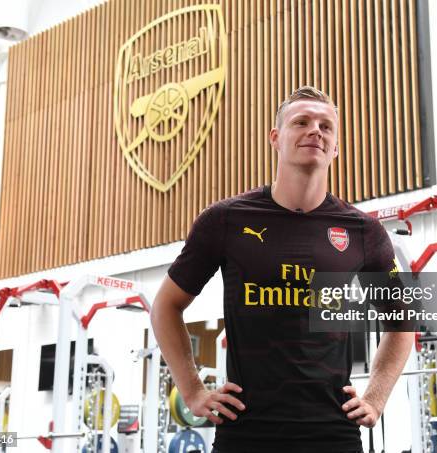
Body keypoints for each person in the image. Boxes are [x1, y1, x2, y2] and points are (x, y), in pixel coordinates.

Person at [151, 86, 414, 453]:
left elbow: (402, 322)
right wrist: (193, 390)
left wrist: (376, 397)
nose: (315, 131)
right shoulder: (225, 221)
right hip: (247, 434)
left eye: (326, 126)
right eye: (301, 122)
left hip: (332, 435)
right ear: (276, 138)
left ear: (335, 147)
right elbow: (165, 305)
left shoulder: (363, 232)